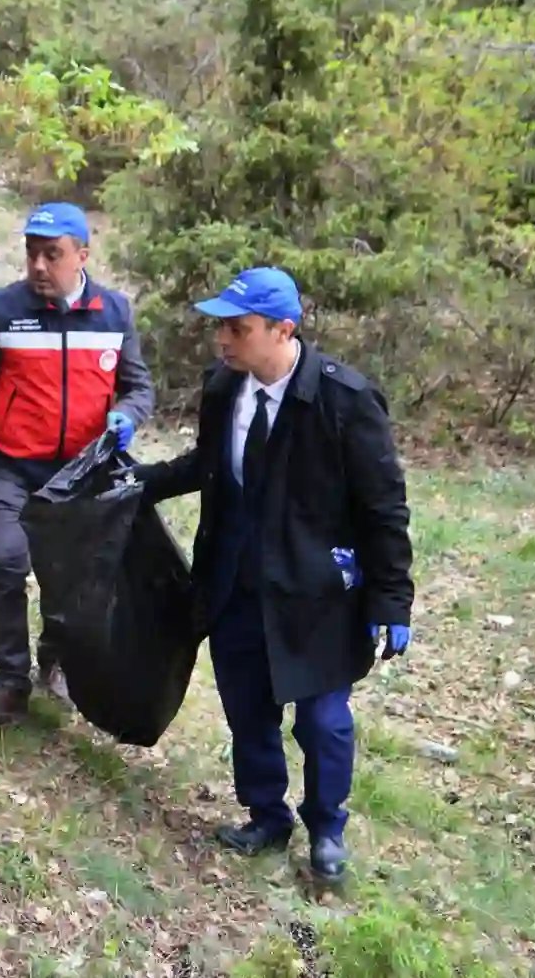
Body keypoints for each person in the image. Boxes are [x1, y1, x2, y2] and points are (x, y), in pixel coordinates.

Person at [133, 266, 414, 884]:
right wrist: (141, 482)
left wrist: (392, 600)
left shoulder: (345, 401)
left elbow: (383, 508)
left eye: (239, 329)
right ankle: (266, 814)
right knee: (247, 708)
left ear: (283, 330)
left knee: (322, 719)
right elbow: (207, 466)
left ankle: (326, 830)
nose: (223, 341)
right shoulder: (223, 389)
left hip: (316, 594)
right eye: (221, 329)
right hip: (234, 581)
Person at [0, 201, 155, 726]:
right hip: (12, 466)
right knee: (9, 563)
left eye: (52, 255)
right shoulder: (2, 309)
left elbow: (138, 387)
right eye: (32, 254)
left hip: (81, 474)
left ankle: (55, 661)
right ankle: (10, 687)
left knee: (71, 581)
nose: (39, 266)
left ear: (81, 256)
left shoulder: (114, 313)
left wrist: (127, 416)